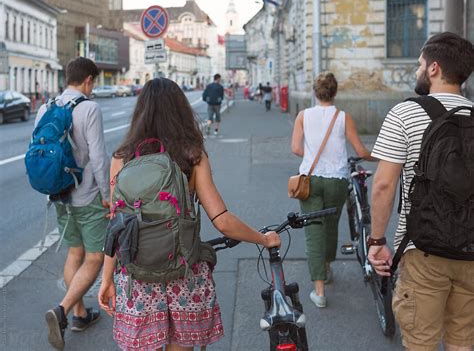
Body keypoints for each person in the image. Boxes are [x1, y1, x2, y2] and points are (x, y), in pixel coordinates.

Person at [98, 77, 280, 351]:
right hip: (185, 274)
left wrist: (106, 279)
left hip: (136, 278)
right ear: (180, 110)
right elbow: (223, 221)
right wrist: (264, 239)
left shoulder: (122, 158)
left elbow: (117, 225)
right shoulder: (192, 156)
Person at [369, 32, 474, 351]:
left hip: (422, 248)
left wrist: (376, 241)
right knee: (463, 340)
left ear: (434, 68)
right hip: (471, 250)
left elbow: (384, 184)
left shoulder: (405, 113)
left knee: (421, 341)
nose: (417, 70)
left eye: (419, 64)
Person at [40, 57, 110, 349]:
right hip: (87, 195)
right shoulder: (89, 108)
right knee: (94, 257)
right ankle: (63, 310)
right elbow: (97, 157)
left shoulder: (47, 107)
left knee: (74, 253)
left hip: (59, 194)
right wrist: (108, 195)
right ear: (89, 80)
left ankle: (81, 314)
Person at [291, 71, 376, 308]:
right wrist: (379, 158)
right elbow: (360, 151)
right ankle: (327, 267)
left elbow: (296, 148)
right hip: (337, 180)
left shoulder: (303, 116)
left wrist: (312, 153)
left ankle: (319, 291)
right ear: (335, 92)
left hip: (310, 180)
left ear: (315, 93)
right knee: (330, 225)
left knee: (313, 231)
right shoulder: (343, 117)